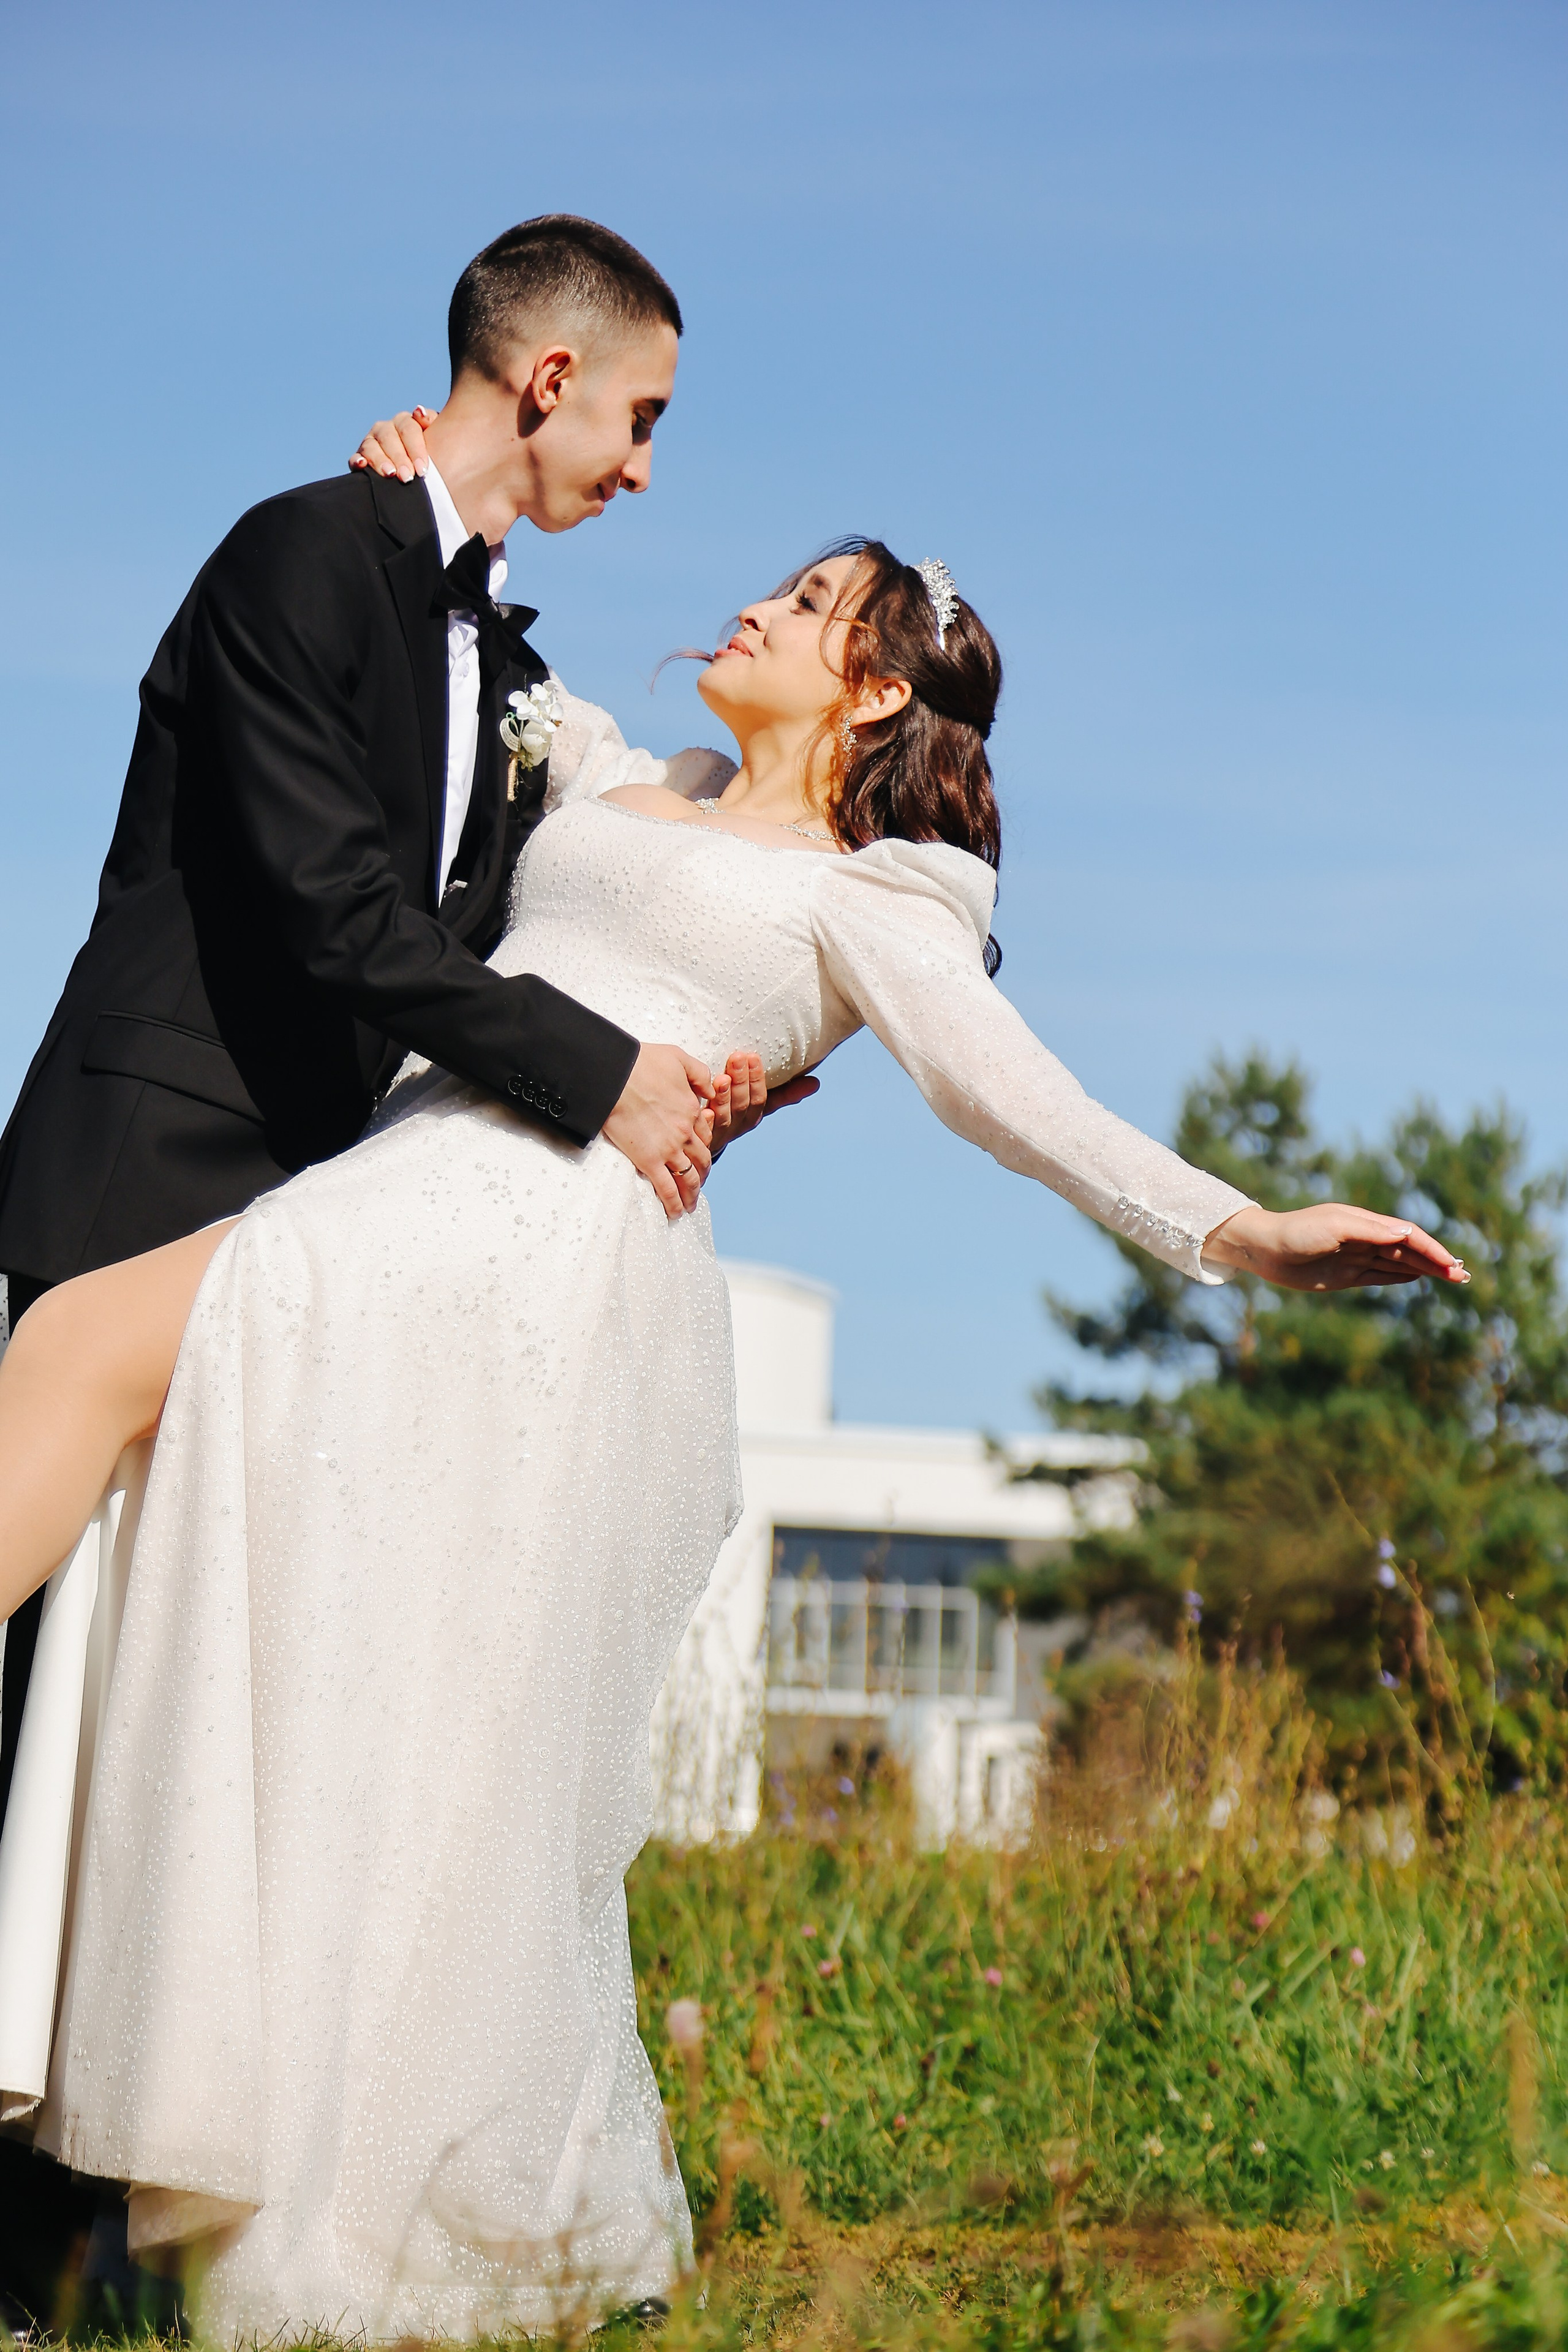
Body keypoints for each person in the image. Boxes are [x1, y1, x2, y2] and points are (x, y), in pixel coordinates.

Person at [0, 539, 1465, 2340]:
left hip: (522, 1247)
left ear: (870, 689)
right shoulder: (635, 777)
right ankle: (297, 2186)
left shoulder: (879, 895)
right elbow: (488, 658)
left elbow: (1031, 1108)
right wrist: (429, 506)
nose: (757, 603)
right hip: (421, 1194)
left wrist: (1240, 1234)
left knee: (81, 1350)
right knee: (345, 1685)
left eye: (810, 598)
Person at [0, 212, 809, 2328]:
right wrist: (607, 1083)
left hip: (310, 1224)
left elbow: (688, 874)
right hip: (152, 1161)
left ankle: (77, 2224)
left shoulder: (512, 665)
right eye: (639, 418)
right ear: (548, 381)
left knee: (166, 1725)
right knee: (34, 1709)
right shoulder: (302, 555)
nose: (645, 471)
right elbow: (352, 922)